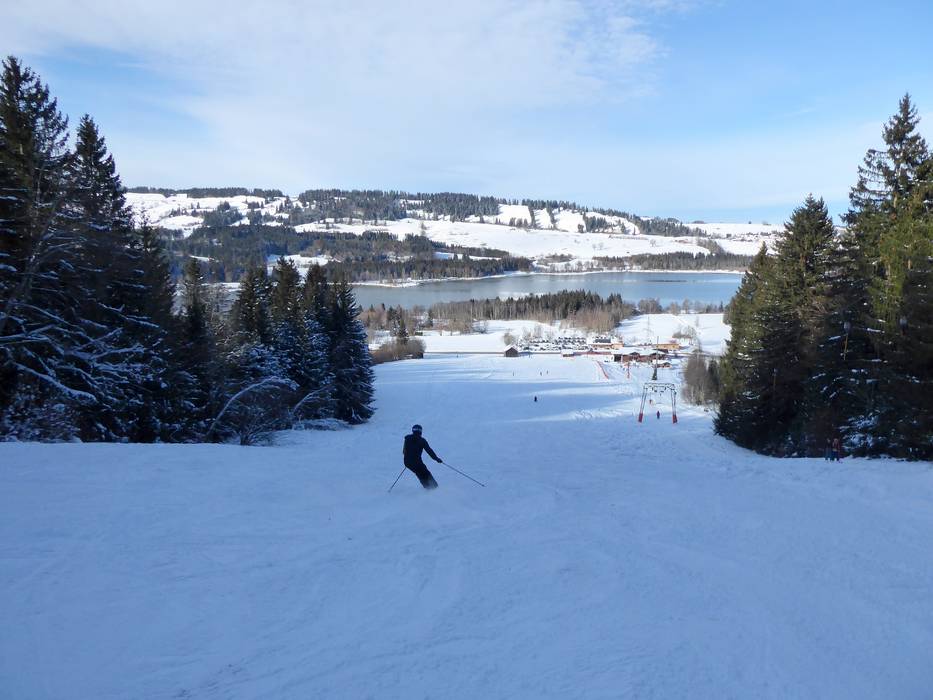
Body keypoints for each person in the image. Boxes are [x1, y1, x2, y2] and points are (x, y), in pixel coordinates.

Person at [403, 424, 442, 489]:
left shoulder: (407, 439)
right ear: (420, 431)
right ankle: (434, 488)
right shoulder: (422, 440)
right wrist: (437, 459)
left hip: (407, 462)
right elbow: (429, 451)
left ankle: (428, 488)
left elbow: (404, 451)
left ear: (413, 430)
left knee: (419, 473)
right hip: (417, 462)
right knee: (425, 473)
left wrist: (407, 460)